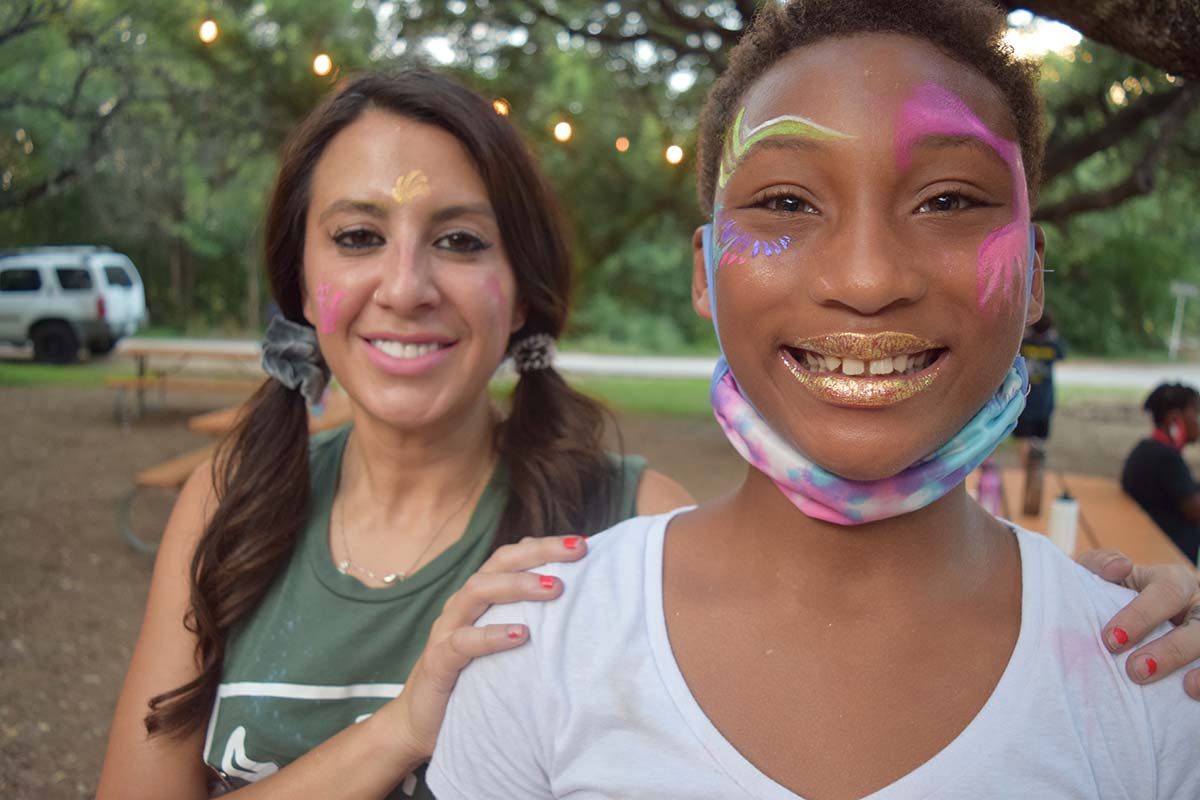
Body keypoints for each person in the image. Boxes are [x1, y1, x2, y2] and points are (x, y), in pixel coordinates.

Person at [429, 3, 1200, 797]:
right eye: (788, 203)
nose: (866, 281)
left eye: (948, 201)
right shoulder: (542, 646)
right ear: (705, 272)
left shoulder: (1153, 680)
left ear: (1035, 272)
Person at [95, 71, 692, 799]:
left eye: (460, 240)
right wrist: (400, 730)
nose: (406, 288)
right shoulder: (225, 504)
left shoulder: (632, 530)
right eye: (358, 237)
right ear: (303, 283)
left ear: (523, 292)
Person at [1122, 382, 1200, 564]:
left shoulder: (1145, 448)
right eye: (1196, 412)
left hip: (1147, 550)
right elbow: (1196, 511)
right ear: (1175, 417)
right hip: (1165, 562)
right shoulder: (1168, 460)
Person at [1013, 309, 1065, 467]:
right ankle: (1036, 470)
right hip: (1045, 401)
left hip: (1025, 400)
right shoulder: (1053, 346)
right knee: (1039, 442)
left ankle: (1025, 471)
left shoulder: (1023, 343)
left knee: (1023, 439)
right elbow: (1063, 354)